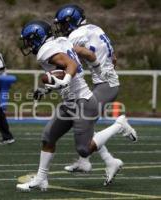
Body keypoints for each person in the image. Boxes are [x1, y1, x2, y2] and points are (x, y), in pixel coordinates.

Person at [16, 20, 136, 192]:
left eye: (28, 40)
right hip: (71, 101)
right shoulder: (63, 41)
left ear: (37, 38)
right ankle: (41, 179)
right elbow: (85, 58)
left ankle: (118, 125)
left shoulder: (45, 50)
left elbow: (70, 66)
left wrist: (64, 80)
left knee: (84, 149)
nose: (27, 44)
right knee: (48, 137)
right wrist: (47, 89)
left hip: (83, 102)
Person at [54, 4, 137, 185]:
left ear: (71, 21)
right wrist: (101, 70)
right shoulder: (95, 28)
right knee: (81, 118)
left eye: (62, 23)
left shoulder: (75, 35)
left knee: (83, 125)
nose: (61, 27)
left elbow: (87, 55)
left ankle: (119, 125)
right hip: (107, 83)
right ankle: (102, 161)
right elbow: (113, 58)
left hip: (106, 86)